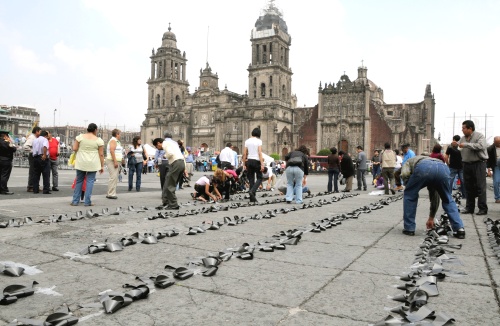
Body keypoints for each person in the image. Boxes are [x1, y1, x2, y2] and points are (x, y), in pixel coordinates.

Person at [400, 155, 465, 238]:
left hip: (423, 168)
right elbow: (435, 197)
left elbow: (405, 174)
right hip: (443, 169)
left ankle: (409, 228)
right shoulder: (432, 160)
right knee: (447, 199)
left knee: (410, 195)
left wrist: (409, 185)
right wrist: (431, 217)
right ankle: (459, 229)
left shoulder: (409, 161)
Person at [454, 120, 488, 215]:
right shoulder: (462, 138)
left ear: (470, 128)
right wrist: (455, 145)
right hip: (466, 164)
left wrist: (466, 145)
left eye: (464, 128)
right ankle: (469, 207)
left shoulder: (479, 136)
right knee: (468, 186)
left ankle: (482, 208)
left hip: (479, 163)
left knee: (480, 186)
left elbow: (481, 146)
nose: (462, 130)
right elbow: (460, 148)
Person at [71, 123, 104, 206]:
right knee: (90, 181)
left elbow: (74, 148)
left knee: (79, 181)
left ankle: (75, 201)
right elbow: (101, 154)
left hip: (81, 162)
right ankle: (87, 201)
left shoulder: (80, 137)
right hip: (93, 163)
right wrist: (102, 166)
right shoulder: (99, 140)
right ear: (95, 130)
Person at [161, 132, 186, 209]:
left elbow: (170, 153)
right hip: (181, 162)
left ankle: (173, 204)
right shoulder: (175, 143)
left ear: (164, 137)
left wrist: (165, 156)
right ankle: (168, 202)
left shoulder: (165, 143)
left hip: (175, 162)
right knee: (172, 184)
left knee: (169, 184)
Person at [242, 128, 264, 203]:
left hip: (249, 161)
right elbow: (260, 152)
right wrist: (262, 164)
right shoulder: (259, 141)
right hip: (256, 160)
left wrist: (244, 163)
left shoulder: (247, 141)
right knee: (260, 178)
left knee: (251, 179)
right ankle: (252, 191)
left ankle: (252, 198)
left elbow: (245, 153)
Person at [105, 129, 123, 200]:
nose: (120, 135)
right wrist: (115, 161)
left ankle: (111, 192)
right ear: (117, 134)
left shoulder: (117, 141)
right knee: (113, 177)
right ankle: (111, 194)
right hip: (112, 161)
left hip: (115, 160)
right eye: (120, 134)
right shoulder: (113, 141)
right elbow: (112, 151)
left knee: (114, 177)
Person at [23, 126, 41, 192]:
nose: (40, 133)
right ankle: (30, 186)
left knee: (36, 172)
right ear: (37, 131)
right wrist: (33, 151)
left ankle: (35, 186)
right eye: (40, 131)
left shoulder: (36, 138)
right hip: (33, 156)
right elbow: (25, 146)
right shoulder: (32, 138)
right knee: (33, 171)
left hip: (36, 156)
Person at [0, 130, 16, 195]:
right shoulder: (6, 142)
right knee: (5, 175)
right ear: (5, 136)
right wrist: (10, 141)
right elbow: (13, 149)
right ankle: (4, 189)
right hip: (6, 160)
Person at [487, 136, 500, 204]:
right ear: (494, 142)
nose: (499, 144)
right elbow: (488, 160)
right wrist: (488, 170)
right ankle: (497, 198)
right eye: (498, 143)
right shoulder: (490, 149)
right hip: (496, 165)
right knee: (496, 182)